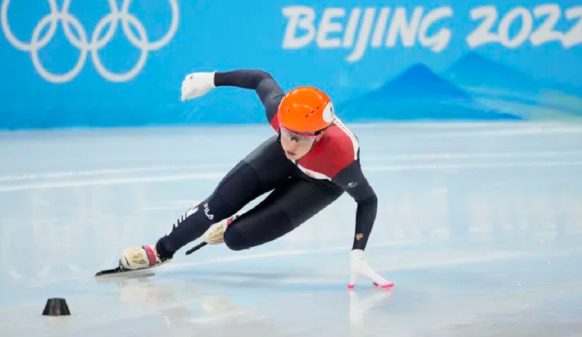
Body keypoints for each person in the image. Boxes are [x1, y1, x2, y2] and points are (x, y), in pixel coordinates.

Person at [120, 70, 393, 288]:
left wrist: (358, 251)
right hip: (278, 159)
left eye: (299, 138)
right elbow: (260, 78)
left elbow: (368, 200)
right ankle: (160, 250)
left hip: (320, 183)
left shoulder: (341, 160)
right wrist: (211, 79)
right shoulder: (279, 113)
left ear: (319, 134)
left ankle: (234, 224)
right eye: (286, 132)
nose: (291, 143)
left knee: (236, 238)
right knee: (216, 205)